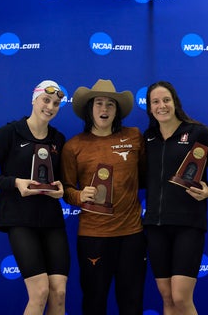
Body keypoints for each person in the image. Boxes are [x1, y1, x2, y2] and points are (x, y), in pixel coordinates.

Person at [0, 80, 69, 315]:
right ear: (33, 100)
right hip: (19, 219)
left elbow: (63, 182)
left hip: (51, 220)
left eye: (56, 103)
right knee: (39, 292)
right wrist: (15, 183)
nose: (50, 107)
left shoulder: (58, 139)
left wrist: (62, 189)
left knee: (59, 292)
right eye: (45, 100)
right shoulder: (10, 132)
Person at [143, 81, 208, 314]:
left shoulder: (197, 133)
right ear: (149, 108)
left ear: (175, 103)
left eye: (166, 100)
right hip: (155, 226)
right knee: (167, 298)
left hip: (188, 225)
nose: (161, 106)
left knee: (181, 297)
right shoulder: (148, 139)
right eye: (155, 102)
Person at [60, 79, 146, 315]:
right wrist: (79, 195)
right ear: (90, 108)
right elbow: (65, 190)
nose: (104, 109)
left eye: (110, 104)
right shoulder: (73, 146)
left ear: (117, 110)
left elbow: (147, 177)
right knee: (94, 302)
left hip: (132, 235)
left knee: (132, 303)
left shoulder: (134, 137)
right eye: (99, 103)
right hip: (93, 236)